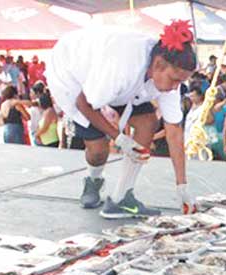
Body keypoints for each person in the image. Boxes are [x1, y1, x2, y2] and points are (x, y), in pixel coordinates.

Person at [46, 20, 196, 218]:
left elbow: (174, 131)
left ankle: (121, 197)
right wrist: (120, 138)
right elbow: (84, 103)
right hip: (74, 74)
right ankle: (93, 179)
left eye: (181, 82)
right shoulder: (120, 68)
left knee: (148, 121)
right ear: (158, 65)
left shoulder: (166, 74)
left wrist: (182, 185)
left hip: (121, 84)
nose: (176, 87)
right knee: (98, 149)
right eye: (175, 80)